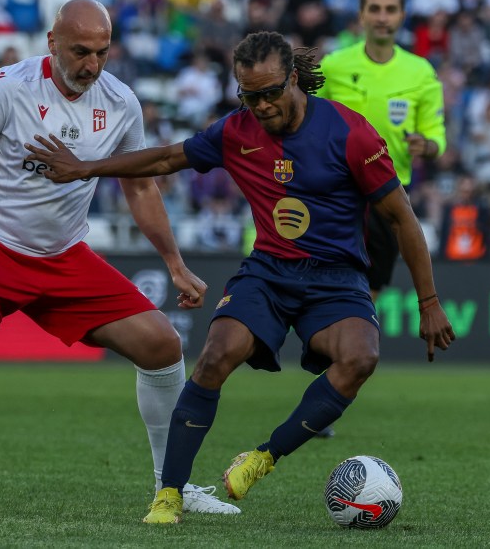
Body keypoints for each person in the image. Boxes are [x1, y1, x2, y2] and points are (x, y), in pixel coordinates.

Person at [23, 31, 455, 524]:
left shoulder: (349, 132)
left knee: (361, 358)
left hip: (336, 278)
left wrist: (429, 301)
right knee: (214, 356)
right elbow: (166, 158)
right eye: (250, 96)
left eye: (272, 92)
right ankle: (169, 493)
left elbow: (402, 218)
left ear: (294, 79)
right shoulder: (237, 131)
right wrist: (86, 169)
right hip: (269, 272)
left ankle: (263, 458)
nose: (263, 105)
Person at [0, 0, 238, 516]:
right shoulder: (8, 88)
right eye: (80, 51)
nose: (92, 65)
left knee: (162, 345)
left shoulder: (121, 102)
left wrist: (174, 263)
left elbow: (140, 189)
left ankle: (174, 486)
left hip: (62, 254)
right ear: (52, 43)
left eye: (102, 52)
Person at [316, 0, 447, 299]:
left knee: (369, 291)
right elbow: (306, 117)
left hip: (388, 193)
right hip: (336, 189)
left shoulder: (421, 73)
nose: (382, 17)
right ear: (361, 15)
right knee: (323, 284)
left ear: (402, 16)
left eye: (390, 10)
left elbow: (436, 137)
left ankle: (354, 347)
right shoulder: (333, 66)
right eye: (374, 9)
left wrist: (426, 145)